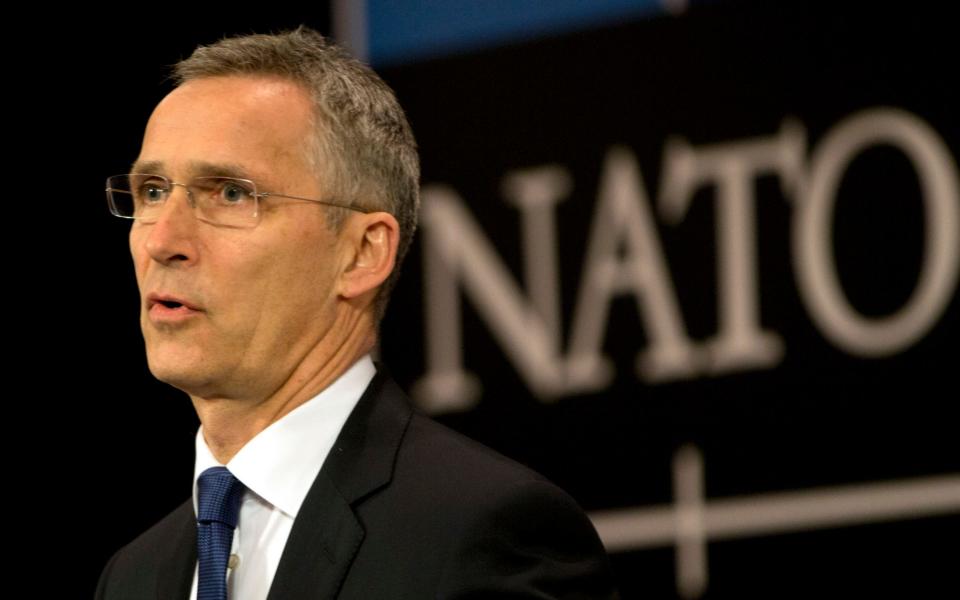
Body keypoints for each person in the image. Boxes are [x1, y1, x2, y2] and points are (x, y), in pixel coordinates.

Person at [95, 27, 617, 600]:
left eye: (230, 193)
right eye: (150, 192)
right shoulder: (132, 577)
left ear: (362, 253)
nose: (161, 240)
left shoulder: (483, 535)